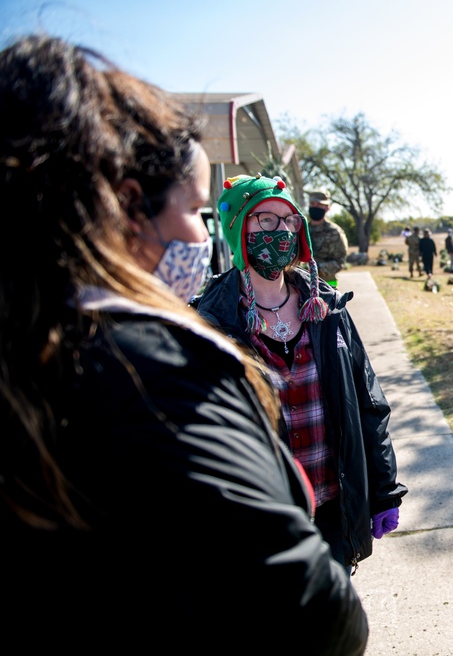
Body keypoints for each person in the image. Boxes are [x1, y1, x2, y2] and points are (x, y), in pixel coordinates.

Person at [0, 35, 367, 654]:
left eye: (288, 223)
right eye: (197, 208)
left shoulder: (27, 339)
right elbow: (311, 609)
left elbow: (362, 401)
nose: (201, 234)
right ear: (126, 206)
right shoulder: (160, 367)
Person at [196, 173, 407, 573]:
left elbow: (368, 403)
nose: (282, 232)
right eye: (266, 221)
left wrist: (383, 490)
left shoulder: (326, 308)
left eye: (289, 221)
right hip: (259, 526)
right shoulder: (212, 320)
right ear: (240, 230)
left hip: (332, 510)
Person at [307, 189, 349, 287]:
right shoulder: (301, 230)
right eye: (312, 204)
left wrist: (316, 269)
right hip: (301, 285)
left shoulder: (335, 232)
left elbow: (340, 261)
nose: (315, 207)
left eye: (319, 204)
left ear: (327, 208)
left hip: (327, 286)